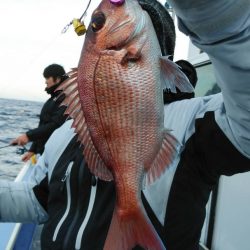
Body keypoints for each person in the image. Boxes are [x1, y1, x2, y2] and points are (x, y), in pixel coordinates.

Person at [0, 0, 250, 250]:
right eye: (98, 23)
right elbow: (39, 201)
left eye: (97, 23)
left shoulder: (192, 124)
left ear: (158, 46)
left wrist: (209, 9)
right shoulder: (64, 134)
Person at [11, 64, 68, 162]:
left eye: (47, 78)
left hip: (55, 157)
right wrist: (32, 150)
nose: (45, 81)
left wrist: (28, 136)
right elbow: (43, 125)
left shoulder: (66, 98)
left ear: (58, 79)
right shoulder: (52, 99)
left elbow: (55, 125)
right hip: (44, 153)